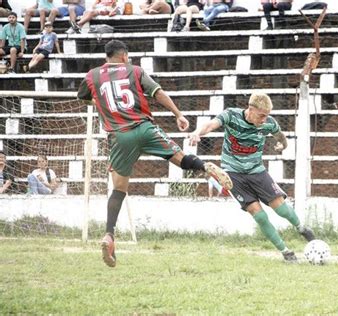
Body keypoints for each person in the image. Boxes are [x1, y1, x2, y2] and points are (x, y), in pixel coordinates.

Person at [77, 40, 232, 268]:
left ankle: (109, 234)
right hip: (144, 128)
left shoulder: (92, 75)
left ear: (107, 56)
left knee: (119, 189)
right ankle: (205, 167)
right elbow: (157, 92)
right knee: (180, 160)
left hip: (119, 137)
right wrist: (178, 114)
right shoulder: (135, 71)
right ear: (125, 56)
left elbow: (81, 96)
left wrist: (100, 103)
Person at [189, 92, 316, 263]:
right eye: (262, 115)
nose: (265, 119)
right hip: (233, 173)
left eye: (267, 115)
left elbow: (280, 136)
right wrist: (197, 132)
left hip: (257, 170)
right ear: (250, 109)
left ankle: (301, 228)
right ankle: (286, 252)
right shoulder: (231, 115)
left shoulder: (268, 124)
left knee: (281, 209)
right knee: (259, 215)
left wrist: (283, 145)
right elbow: (211, 125)